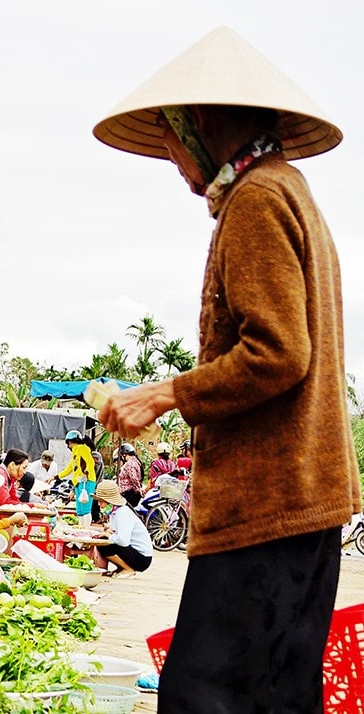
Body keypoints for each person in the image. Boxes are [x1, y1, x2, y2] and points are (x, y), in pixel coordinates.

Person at [93, 26, 360, 712]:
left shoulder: (257, 200)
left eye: (173, 142)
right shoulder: (290, 190)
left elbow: (278, 352)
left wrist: (163, 394)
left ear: (202, 125)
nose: (176, 164)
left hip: (267, 506)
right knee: (278, 697)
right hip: (301, 504)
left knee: (202, 696)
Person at [92, 480, 153, 578]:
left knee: (103, 544)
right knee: (104, 541)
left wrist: (109, 535)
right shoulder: (115, 512)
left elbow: (123, 541)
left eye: (101, 501)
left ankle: (128, 569)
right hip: (134, 553)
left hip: (142, 558)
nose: (99, 504)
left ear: (109, 502)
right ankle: (121, 567)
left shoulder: (122, 513)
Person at [57, 430, 97, 526]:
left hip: (87, 481)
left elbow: (90, 462)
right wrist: (55, 477)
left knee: (85, 508)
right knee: (80, 509)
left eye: (68, 443)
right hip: (79, 482)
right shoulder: (75, 453)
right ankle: (81, 528)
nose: (68, 446)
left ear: (70, 442)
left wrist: (86, 473)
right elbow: (69, 469)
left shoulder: (82, 448)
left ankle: (85, 530)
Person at [114, 442, 144, 507]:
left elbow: (134, 478)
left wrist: (138, 490)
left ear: (124, 454)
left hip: (128, 493)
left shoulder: (131, 463)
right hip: (127, 492)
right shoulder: (135, 461)